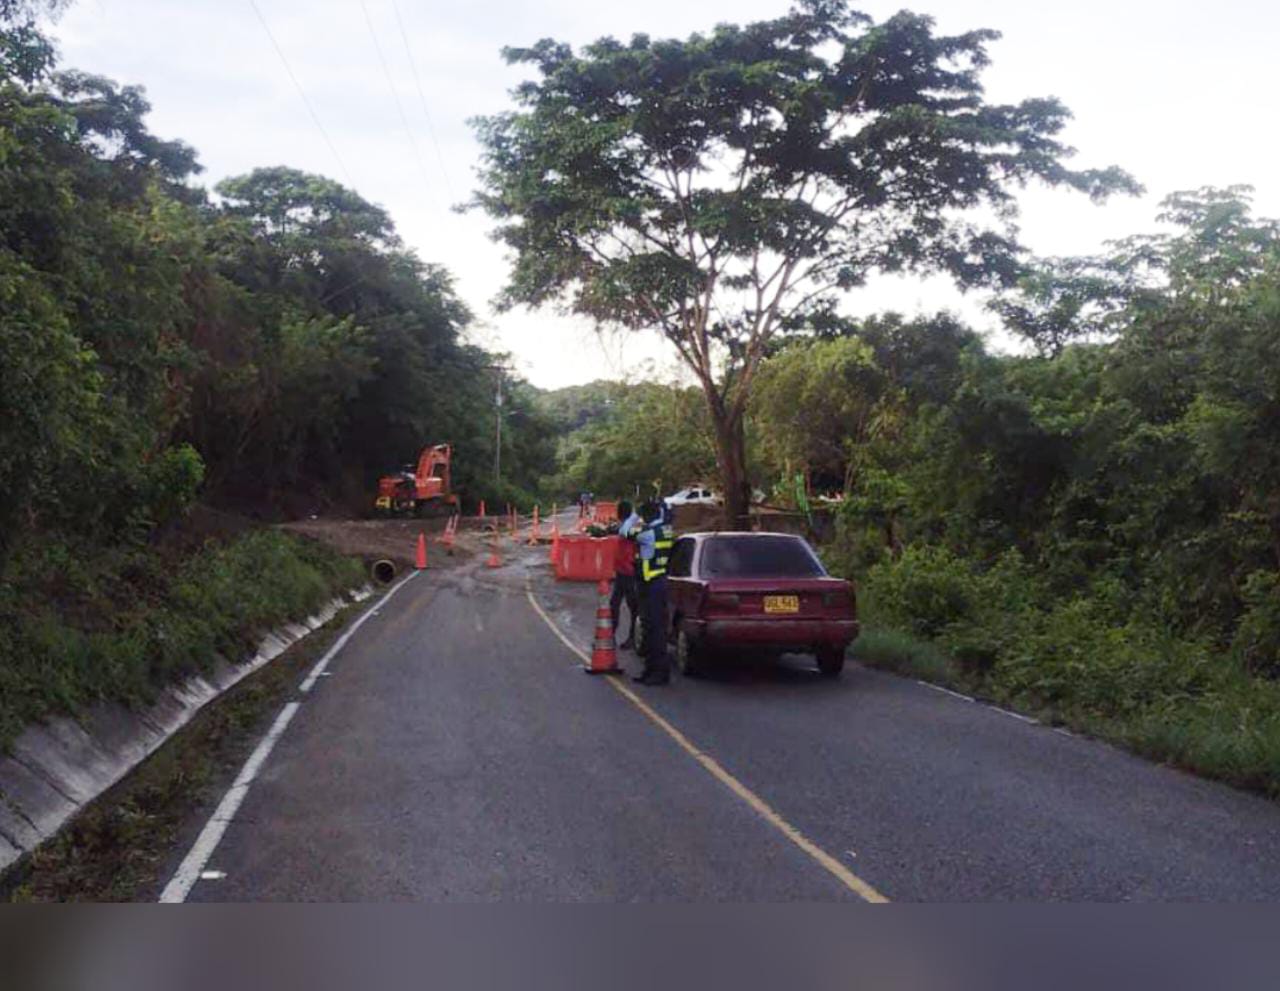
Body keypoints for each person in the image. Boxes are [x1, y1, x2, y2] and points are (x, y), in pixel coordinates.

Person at [632, 500, 675, 685]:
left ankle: (658, 672)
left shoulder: (647, 533)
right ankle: (651, 670)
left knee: (654, 630)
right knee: (653, 628)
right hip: (660, 582)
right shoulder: (667, 530)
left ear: (647, 516)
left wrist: (633, 517)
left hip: (652, 584)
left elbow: (626, 532)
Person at [609, 500, 640, 649]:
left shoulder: (629, 528)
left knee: (632, 606)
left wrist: (632, 517)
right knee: (615, 604)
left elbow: (625, 533)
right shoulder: (627, 525)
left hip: (628, 572)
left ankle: (632, 638)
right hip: (622, 571)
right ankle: (611, 635)